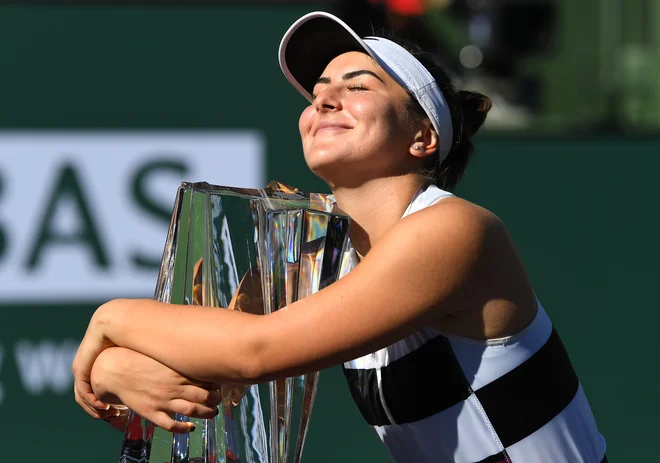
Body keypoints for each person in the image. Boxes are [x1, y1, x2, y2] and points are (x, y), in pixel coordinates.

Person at [73, 11, 607, 463]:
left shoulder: (455, 229)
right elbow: (207, 385)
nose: (325, 101)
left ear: (423, 137)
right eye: (318, 92)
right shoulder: (317, 254)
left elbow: (254, 352)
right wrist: (114, 366)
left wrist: (109, 319)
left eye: (357, 86)